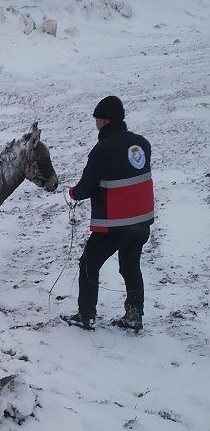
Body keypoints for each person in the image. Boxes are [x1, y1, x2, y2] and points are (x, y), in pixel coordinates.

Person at [62, 96, 154, 331]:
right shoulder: (141, 144)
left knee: (89, 264)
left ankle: (86, 315)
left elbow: (85, 188)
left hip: (116, 223)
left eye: (96, 119)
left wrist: (72, 193)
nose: (95, 124)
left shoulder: (102, 150)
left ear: (103, 120)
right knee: (131, 265)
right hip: (141, 221)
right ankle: (134, 316)